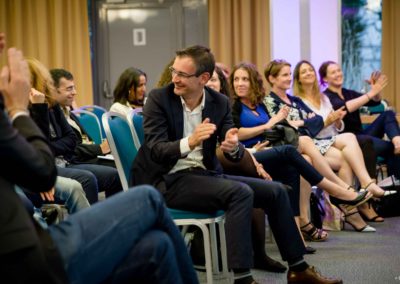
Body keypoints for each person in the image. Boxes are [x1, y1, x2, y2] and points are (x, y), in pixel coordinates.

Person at [131, 45, 343, 284]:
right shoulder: (159, 99)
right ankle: (243, 278)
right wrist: (189, 142)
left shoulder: (219, 102)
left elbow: (230, 143)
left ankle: (299, 269)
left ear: (203, 78)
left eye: (182, 74)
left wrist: (232, 147)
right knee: (240, 193)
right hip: (166, 179)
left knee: (276, 191)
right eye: (174, 71)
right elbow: (156, 150)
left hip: (204, 176)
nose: (175, 78)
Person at [0, 42, 198, 284]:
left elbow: (67, 142)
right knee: (148, 197)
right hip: (29, 257)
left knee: (158, 245)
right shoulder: (27, 110)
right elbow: (42, 169)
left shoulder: (51, 110)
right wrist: (19, 110)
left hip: (33, 239)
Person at [229, 62, 374, 238]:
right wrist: (267, 126)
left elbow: (310, 122)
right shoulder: (235, 105)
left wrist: (280, 125)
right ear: (271, 79)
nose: (240, 83)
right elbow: (237, 133)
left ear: (253, 82)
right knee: (306, 140)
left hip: (274, 147)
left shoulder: (260, 105)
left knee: (308, 159)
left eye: (245, 79)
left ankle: (306, 221)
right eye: (236, 79)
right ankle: (340, 190)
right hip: (253, 154)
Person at [264, 59, 390, 200]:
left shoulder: (296, 100)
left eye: (289, 74)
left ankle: (360, 190)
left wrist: (303, 122)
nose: (288, 78)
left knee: (349, 138)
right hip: (303, 142)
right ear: (272, 79)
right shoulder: (273, 100)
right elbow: (283, 126)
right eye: (285, 75)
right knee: (355, 145)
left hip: (318, 139)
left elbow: (317, 120)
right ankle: (345, 192)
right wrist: (307, 122)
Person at [292, 60, 390, 229]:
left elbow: (338, 125)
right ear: (298, 79)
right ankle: (361, 189)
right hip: (316, 142)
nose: (308, 73)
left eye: (310, 70)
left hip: (332, 139)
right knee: (351, 143)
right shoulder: (297, 101)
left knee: (348, 148)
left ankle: (353, 205)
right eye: (304, 72)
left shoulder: (322, 98)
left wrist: (336, 122)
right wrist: (327, 121)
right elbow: (307, 129)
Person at [27, 58, 122, 203]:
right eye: (69, 88)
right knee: (87, 179)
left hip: (65, 161)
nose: (48, 85)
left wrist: (52, 146)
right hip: (47, 168)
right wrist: (38, 109)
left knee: (115, 174)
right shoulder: (28, 110)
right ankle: (90, 224)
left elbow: (71, 139)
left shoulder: (52, 105)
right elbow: (41, 150)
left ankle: (114, 218)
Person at [319, 60, 400, 183]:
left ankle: (397, 140)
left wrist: (375, 92)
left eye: (339, 70)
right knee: (391, 149)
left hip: (363, 135)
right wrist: (370, 93)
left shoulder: (348, 92)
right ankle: (390, 186)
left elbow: (375, 102)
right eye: (333, 72)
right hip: (348, 141)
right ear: (325, 79)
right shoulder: (326, 97)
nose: (338, 74)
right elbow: (345, 107)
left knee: (388, 114)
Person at [50, 68, 112, 166]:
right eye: (69, 89)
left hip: (86, 157)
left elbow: (83, 141)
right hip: (74, 162)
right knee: (116, 169)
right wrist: (99, 148)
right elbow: (69, 149)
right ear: (53, 90)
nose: (75, 92)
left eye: (74, 88)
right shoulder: (52, 116)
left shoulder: (68, 111)